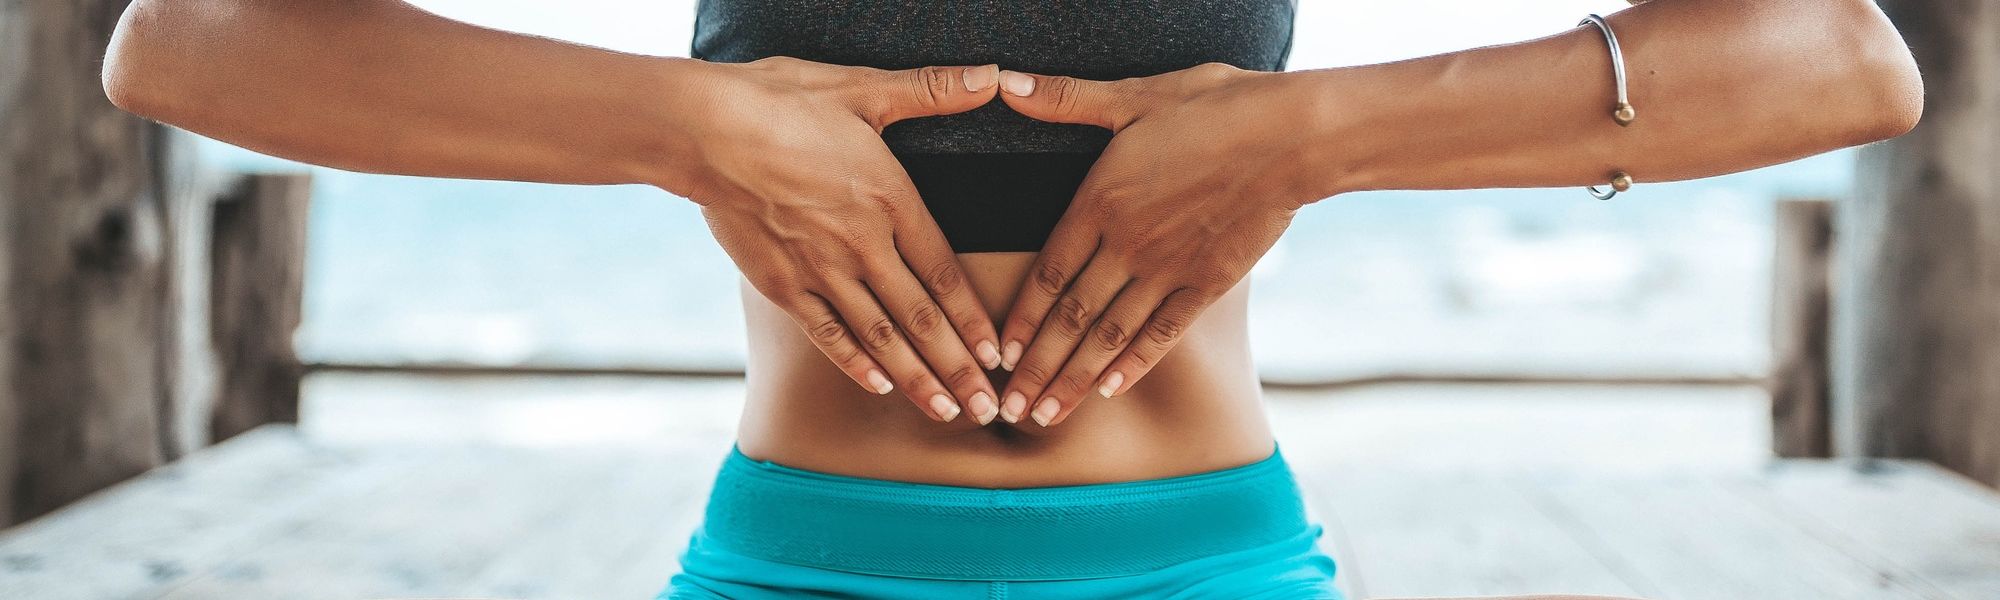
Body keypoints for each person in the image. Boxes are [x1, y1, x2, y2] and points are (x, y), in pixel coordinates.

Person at [101, 0, 1921, 598]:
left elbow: (1831, 58)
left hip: (1199, 562)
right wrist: (692, 131)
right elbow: (191, 42)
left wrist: (1304, 140)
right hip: (796, 560)